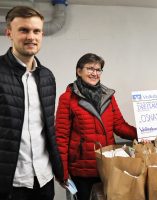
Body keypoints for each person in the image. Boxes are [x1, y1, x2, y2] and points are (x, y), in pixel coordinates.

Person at [0, 6, 63, 200]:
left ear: (42, 34)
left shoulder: (47, 76)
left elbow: (48, 130)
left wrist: (59, 170)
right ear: (9, 32)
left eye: (36, 31)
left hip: (44, 179)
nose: (31, 37)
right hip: (11, 182)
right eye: (24, 30)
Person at [55, 53, 138, 200]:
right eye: (90, 69)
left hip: (107, 165)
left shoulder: (108, 96)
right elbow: (61, 137)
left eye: (98, 69)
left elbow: (119, 125)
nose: (95, 73)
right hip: (82, 169)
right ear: (78, 71)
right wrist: (62, 172)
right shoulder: (67, 99)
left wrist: (141, 134)